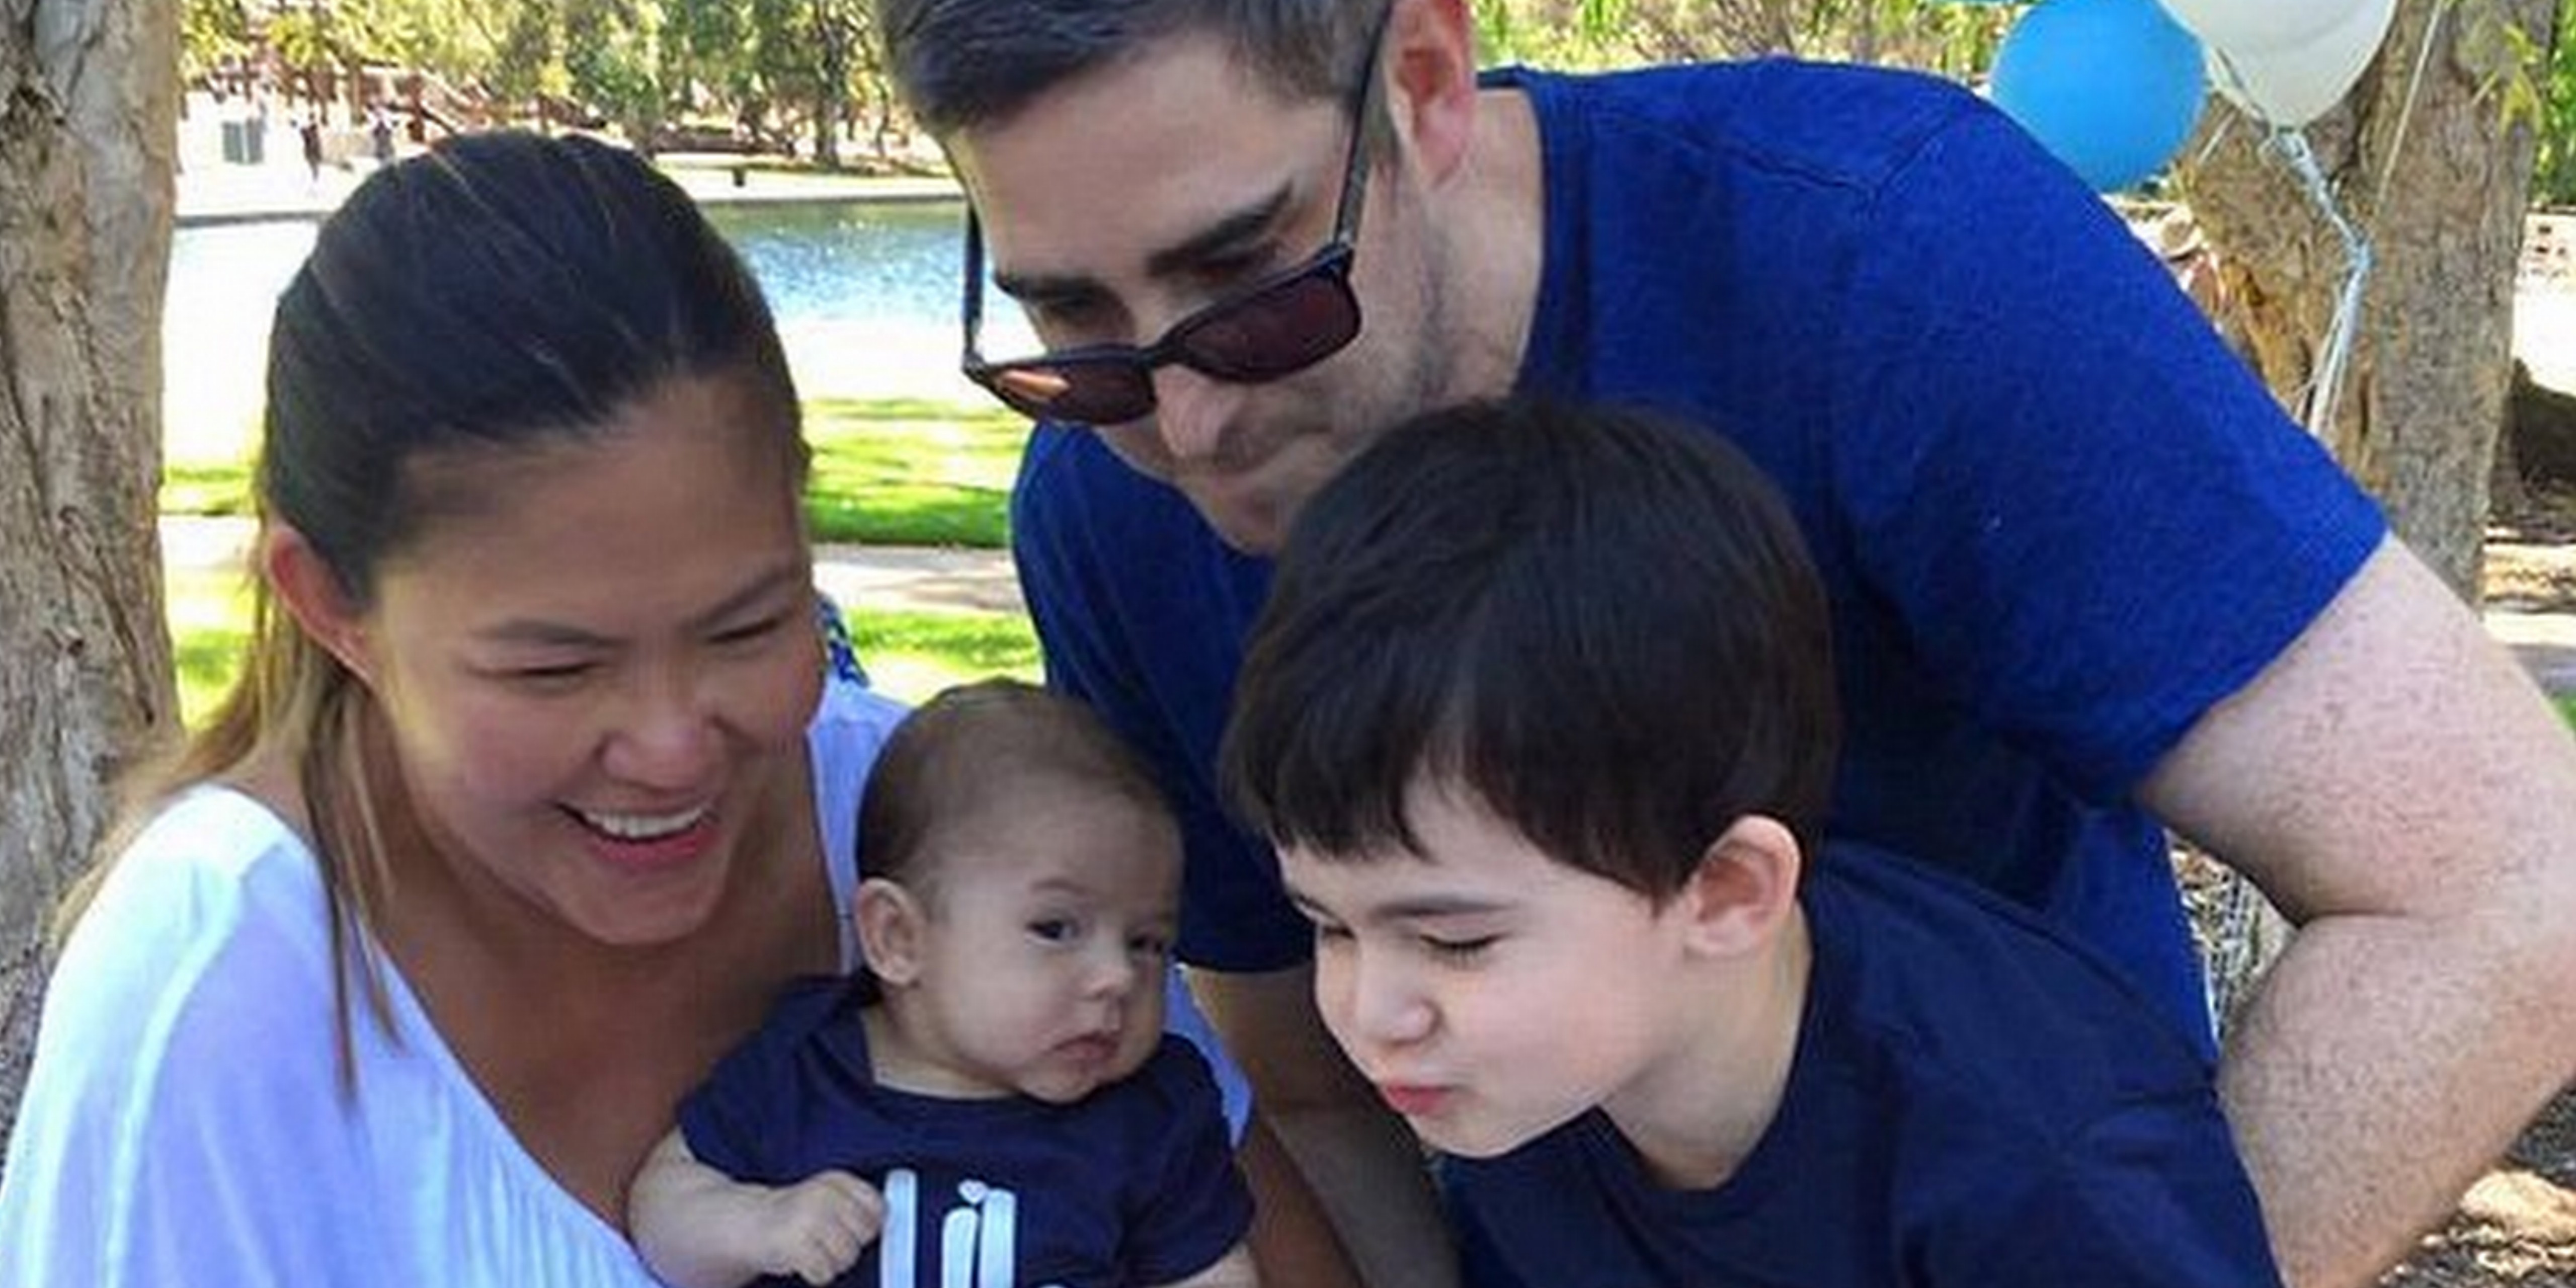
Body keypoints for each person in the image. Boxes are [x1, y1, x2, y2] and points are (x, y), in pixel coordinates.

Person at [870, 3, 2576, 1285]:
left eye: (1248, 275)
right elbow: (1310, 1085)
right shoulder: (1106, 512)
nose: (1178, 423)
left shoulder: (1887, 257)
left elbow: (2512, 881)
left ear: (1426, 83)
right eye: (1068, 322)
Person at [0, 132, 1350, 1287]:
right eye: (554, 669)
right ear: (330, 606)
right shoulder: (216, 989)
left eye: (749, 625)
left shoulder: (932, 818)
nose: (669, 747)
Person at [1221, 396, 2286, 1285]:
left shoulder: (2049, 1182)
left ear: (1728, 889)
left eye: (1454, 941)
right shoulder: (1526, 1075)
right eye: (1330, 926)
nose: (1372, 1014)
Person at [630, 679, 1258, 1288]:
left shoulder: (1149, 1116)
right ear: (898, 937)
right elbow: (663, 1209)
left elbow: (1214, 1271)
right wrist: (759, 1225)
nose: (1118, 976)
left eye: (1146, 942)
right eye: (1055, 928)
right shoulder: (800, 1071)